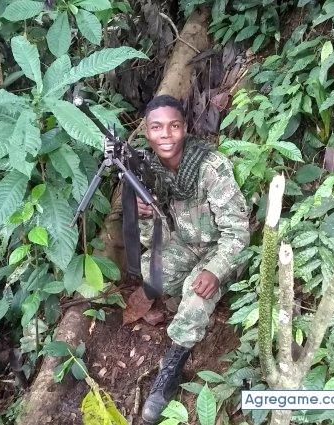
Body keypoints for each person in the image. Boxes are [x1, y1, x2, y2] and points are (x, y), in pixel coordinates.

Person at [137, 95, 250, 424]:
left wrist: (215, 270)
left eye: (174, 126)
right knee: (151, 271)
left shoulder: (210, 166)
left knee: (195, 294)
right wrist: (145, 215)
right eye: (157, 127)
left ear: (185, 128)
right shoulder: (152, 170)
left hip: (222, 249)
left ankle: (170, 373)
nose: (166, 134)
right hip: (187, 244)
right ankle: (200, 299)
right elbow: (152, 240)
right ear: (147, 132)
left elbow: (238, 232)